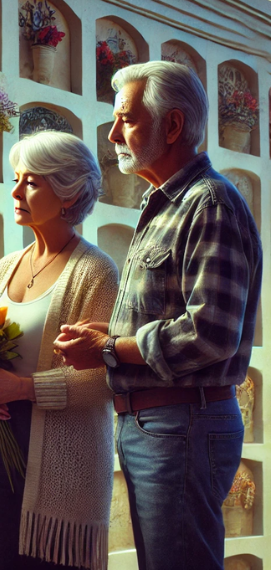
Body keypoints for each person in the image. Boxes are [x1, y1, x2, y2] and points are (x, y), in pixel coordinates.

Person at [54, 61, 263, 570]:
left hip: (183, 423)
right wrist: (114, 333)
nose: (112, 133)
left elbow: (210, 333)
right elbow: (172, 315)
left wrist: (109, 349)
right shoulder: (165, 204)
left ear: (171, 126)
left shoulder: (208, 203)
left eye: (126, 118)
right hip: (160, 424)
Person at [0, 130, 119, 570]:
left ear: (68, 193)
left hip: (65, 476)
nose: (15, 190)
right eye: (16, 178)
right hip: (0, 460)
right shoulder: (3, 269)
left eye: (31, 181)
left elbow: (106, 378)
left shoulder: (96, 272)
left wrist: (25, 389)